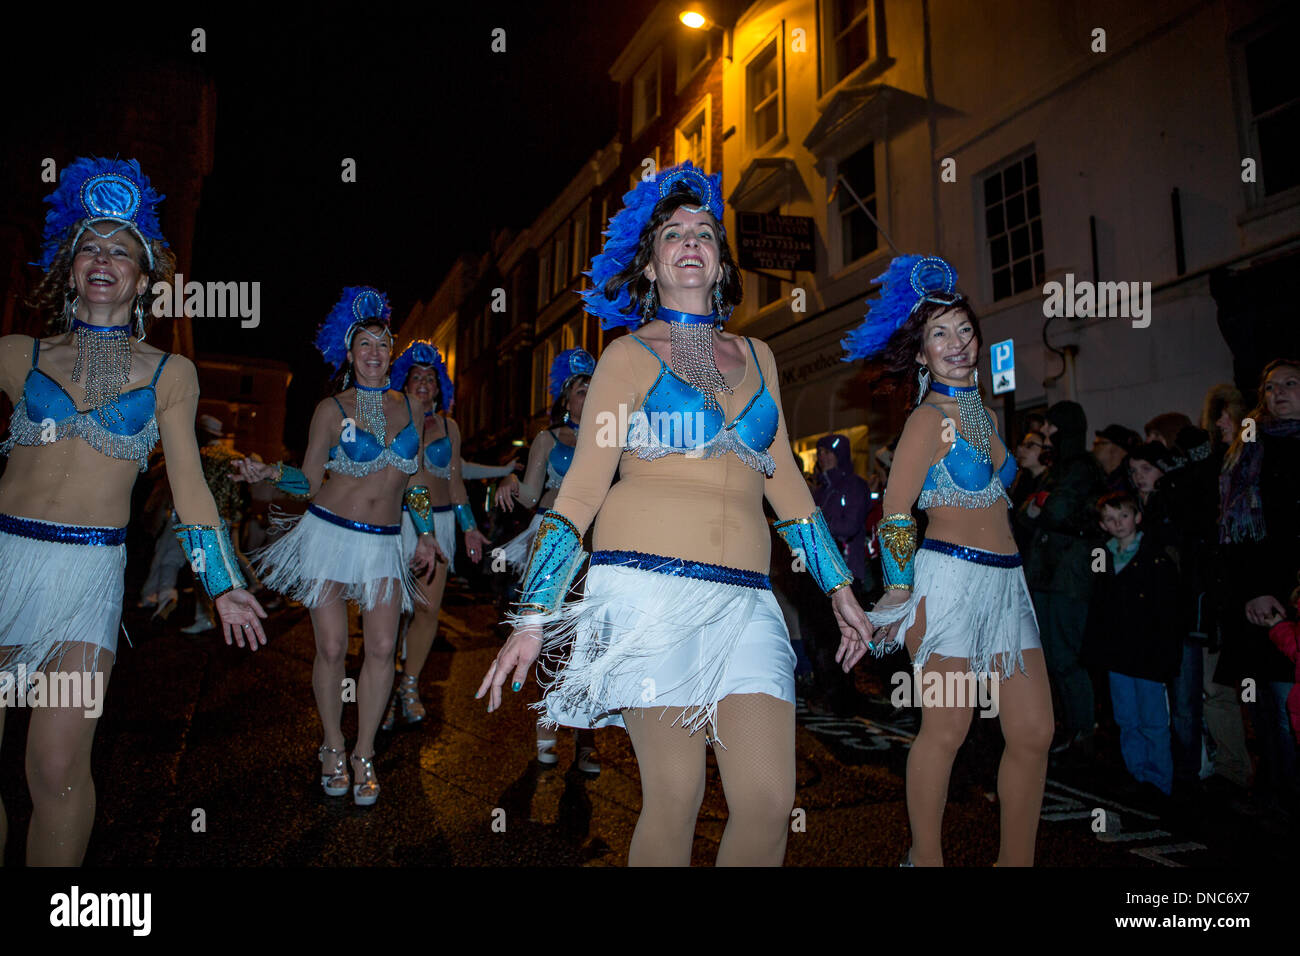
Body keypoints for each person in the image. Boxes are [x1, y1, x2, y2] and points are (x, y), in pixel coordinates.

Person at [476, 163, 872, 866]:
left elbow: (784, 483)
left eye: (704, 234)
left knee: (767, 801)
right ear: (652, 264)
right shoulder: (626, 357)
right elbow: (582, 492)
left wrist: (841, 589)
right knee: (677, 795)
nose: (690, 243)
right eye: (672, 235)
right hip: (647, 596)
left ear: (720, 264)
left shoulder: (759, 356)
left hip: (748, 603)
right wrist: (532, 616)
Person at [0, 157, 264, 865]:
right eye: (90, 243)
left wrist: (223, 582)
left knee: (55, 770)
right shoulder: (17, 354)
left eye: (122, 249)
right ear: (69, 264)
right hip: (3, 565)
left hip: (87, 584)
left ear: (145, 279)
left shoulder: (169, 374)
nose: (104, 257)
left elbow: (190, 490)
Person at [843, 254, 1053, 867]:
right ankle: (925, 857)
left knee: (1035, 731)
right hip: (949, 586)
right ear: (921, 354)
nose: (957, 343)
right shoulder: (927, 420)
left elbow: (997, 490)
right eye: (940, 333)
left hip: (1007, 586)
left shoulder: (984, 414)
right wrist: (901, 590)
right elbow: (897, 510)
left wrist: (1029, 459)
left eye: (964, 329)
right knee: (948, 729)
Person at [233, 287, 439, 806]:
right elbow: (306, 479)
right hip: (328, 532)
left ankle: (364, 752)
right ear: (349, 355)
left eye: (382, 344)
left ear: (391, 354)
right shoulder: (330, 408)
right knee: (329, 648)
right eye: (364, 344)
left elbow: (413, 482)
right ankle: (331, 744)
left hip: (384, 544)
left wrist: (429, 533)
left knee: (381, 650)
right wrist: (268, 471)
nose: (374, 352)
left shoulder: (412, 406)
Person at [494, 348, 603, 772]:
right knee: (551, 637)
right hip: (555, 544)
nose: (589, 395)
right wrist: (511, 479)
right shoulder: (548, 438)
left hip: (597, 544)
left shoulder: (611, 436)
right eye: (581, 389)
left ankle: (586, 740)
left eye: (595, 388)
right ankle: (547, 721)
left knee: (590, 640)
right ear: (566, 398)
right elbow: (530, 495)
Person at [382, 340, 487, 729]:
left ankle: (409, 684)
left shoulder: (450, 427)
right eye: (416, 376)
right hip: (398, 522)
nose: (425, 383)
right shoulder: (392, 420)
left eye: (431, 378)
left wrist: (470, 528)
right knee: (390, 612)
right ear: (403, 382)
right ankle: (385, 685)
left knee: (427, 610)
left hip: (440, 524)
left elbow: (456, 482)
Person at [1218, 359, 1300, 813]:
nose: (1279, 393)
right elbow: (1235, 533)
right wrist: (1255, 589)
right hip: (1271, 599)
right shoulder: (1253, 449)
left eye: (1291, 384)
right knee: (1277, 708)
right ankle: (1280, 800)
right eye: (1270, 387)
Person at [1021, 400, 1104, 756]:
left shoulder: (1080, 467)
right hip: (1048, 572)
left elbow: (1055, 509)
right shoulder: (1062, 468)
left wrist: (1042, 501)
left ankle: (1084, 729)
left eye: (1052, 428)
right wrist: (1040, 502)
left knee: (1066, 656)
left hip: (1068, 574)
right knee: (1052, 656)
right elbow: (1026, 514)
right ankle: (1071, 726)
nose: (1046, 434)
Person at [1085, 492, 1181, 799]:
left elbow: (1167, 611)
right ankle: (1137, 773)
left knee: (1153, 719)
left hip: (1148, 651)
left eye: (1123, 516)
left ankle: (1159, 780)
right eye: (1110, 520)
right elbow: (1098, 605)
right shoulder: (1103, 556)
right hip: (1117, 652)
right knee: (1127, 717)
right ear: (1103, 524)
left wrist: (1166, 652)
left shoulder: (1155, 557)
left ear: (1137, 517)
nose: (1118, 524)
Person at [1093, 423, 1140, 494]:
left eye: (1098, 444)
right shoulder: (1106, 480)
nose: (1093, 449)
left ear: (1114, 449)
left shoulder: (1127, 482)